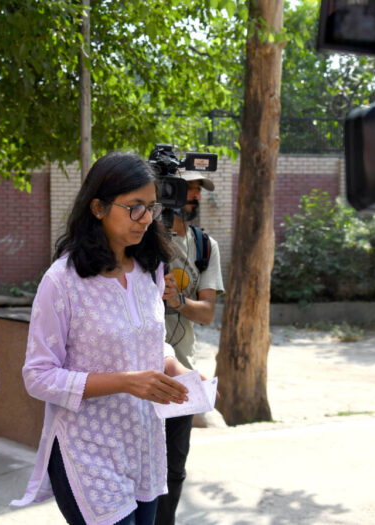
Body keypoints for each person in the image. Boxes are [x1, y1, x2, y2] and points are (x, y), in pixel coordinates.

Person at [11, 151, 192, 525]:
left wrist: (179, 370)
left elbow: (149, 345)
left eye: (151, 207)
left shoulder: (150, 270)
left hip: (143, 447)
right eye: (134, 207)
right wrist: (126, 382)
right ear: (98, 208)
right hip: (87, 452)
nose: (146, 219)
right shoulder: (61, 282)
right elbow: (38, 376)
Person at [155, 172, 224, 525]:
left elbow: (208, 312)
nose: (195, 196)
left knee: (173, 471)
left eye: (198, 190)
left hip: (182, 377)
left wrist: (179, 301)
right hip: (142, 375)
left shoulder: (205, 245)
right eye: (189, 188)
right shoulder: (146, 238)